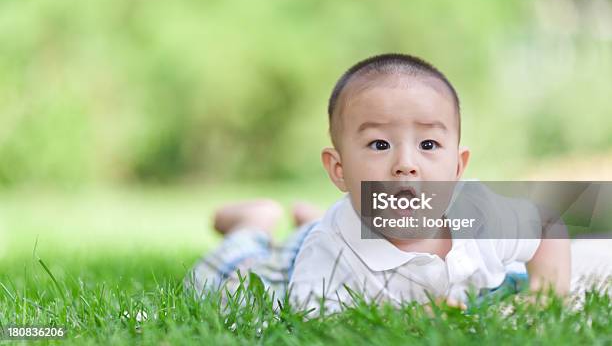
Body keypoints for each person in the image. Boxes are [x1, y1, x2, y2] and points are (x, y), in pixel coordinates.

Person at [185, 53, 570, 314]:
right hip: (297, 263)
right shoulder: (328, 256)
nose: (406, 164)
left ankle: (308, 220)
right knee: (229, 282)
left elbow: (548, 226)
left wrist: (543, 294)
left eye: (429, 144)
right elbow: (315, 324)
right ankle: (251, 223)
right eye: (380, 144)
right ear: (338, 169)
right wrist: (402, 320)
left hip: (341, 227)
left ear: (457, 166)